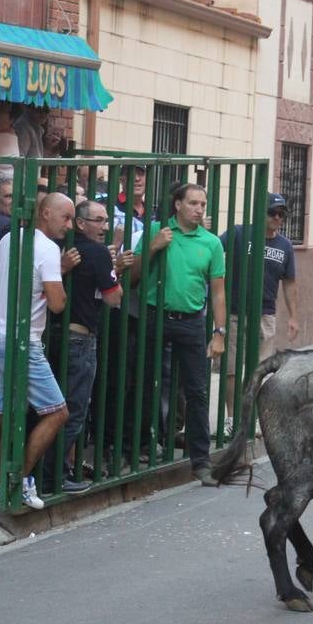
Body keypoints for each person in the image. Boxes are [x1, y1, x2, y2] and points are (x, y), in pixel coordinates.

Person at [0, 193, 76, 509]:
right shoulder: (48, 249)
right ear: (45, 213)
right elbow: (59, 304)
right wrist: (59, 274)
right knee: (57, 411)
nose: (69, 225)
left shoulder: (9, 239)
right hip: (21, 341)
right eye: (66, 217)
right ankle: (19, 479)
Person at [128, 182, 227, 485]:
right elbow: (131, 277)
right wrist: (154, 247)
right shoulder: (157, 230)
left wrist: (220, 332)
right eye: (194, 203)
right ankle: (140, 448)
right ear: (178, 205)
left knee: (197, 390)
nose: (199, 209)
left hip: (191, 322)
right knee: (144, 383)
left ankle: (201, 461)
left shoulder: (211, 243)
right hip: (154, 316)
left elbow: (219, 293)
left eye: (203, 204)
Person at [53, 199, 125, 493]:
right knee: (74, 409)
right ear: (81, 223)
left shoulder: (64, 247)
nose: (104, 226)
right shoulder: (96, 252)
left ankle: (59, 469)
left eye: (106, 220)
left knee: (56, 406)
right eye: (98, 220)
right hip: (80, 338)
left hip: (54, 334)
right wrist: (114, 269)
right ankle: (55, 473)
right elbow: (113, 297)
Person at [220, 193, 299, 423]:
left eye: (282, 214)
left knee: (259, 370)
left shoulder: (285, 246)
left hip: (265, 315)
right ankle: (232, 418)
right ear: (260, 214)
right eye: (272, 213)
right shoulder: (239, 233)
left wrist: (294, 316)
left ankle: (249, 417)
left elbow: (290, 282)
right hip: (234, 310)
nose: (278, 218)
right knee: (231, 368)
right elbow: (214, 248)